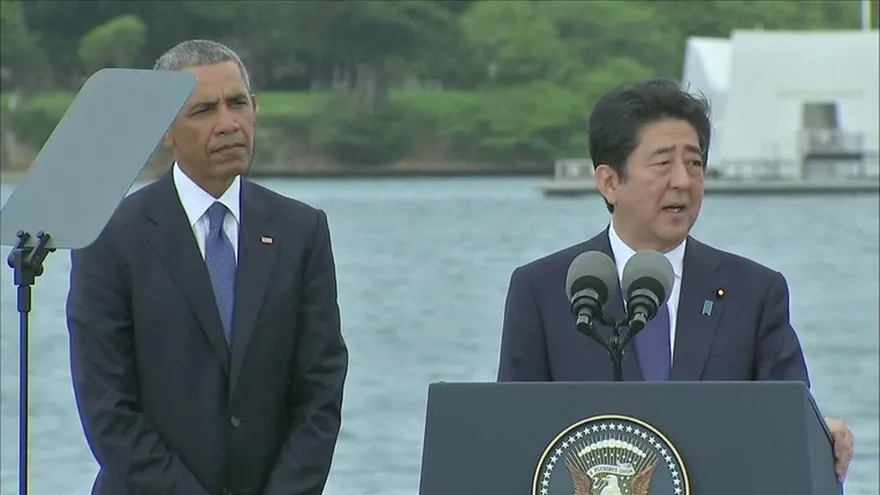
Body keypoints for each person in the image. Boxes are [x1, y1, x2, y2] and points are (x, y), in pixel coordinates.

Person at [496, 79, 854, 481]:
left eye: (695, 163)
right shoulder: (545, 290)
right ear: (610, 182)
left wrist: (823, 436)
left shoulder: (754, 292)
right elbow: (515, 436)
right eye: (663, 163)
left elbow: (789, 421)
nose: (683, 181)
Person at [66, 39, 348, 495]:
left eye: (237, 104)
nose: (228, 124)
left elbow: (320, 390)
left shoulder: (302, 231)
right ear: (164, 128)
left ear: (254, 108)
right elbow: (108, 408)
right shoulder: (110, 238)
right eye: (203, 111)